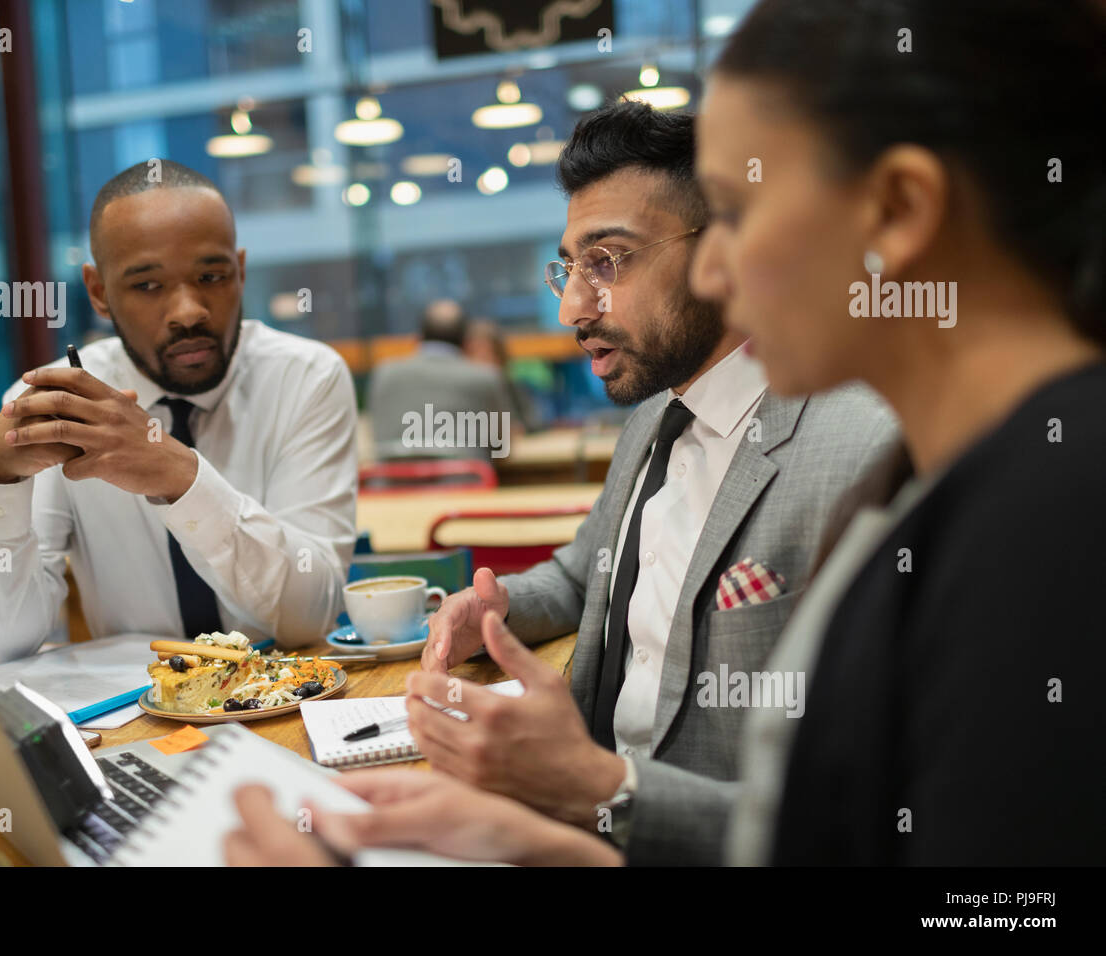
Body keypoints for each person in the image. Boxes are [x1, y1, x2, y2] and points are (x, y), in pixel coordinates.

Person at [415, 100, 899, 864]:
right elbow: (582, 576)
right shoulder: (653, 415)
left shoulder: (869, 450)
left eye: (608, 260)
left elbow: (873, 812)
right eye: (570, 268)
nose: (574, 306)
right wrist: (497, 608)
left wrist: (602, 789)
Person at [687, 0, 1106, 864]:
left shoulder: (1055, 522)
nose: (707, 269)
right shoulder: (941, 475)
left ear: (899, 208)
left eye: (732, 210)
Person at [0, 160, 358, 663]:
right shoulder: (60, 406)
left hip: (293, 700)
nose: (189, 312)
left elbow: (309, 617)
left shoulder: (306, 377)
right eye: (147, 285)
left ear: (241, 270)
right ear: (98, 292)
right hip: (138, 720)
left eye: (212, 276)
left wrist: (181, 478)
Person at [367, 300, 517, 461]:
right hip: (466, 484)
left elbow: (376, 438)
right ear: (466, 342)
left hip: (394, 484)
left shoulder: (383, 374)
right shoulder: (487, 377)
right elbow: (503, 447)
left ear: (419, 338)